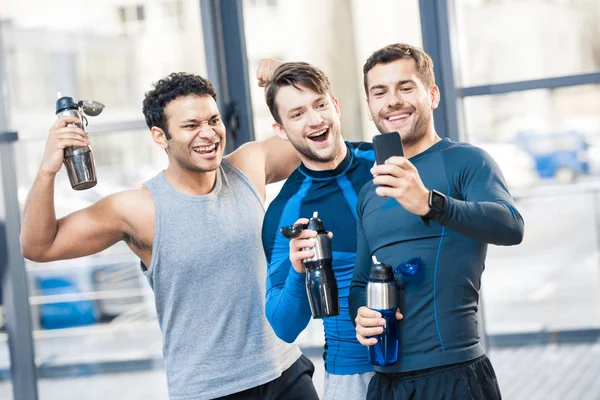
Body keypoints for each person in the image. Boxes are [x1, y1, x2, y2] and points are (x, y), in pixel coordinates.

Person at [20, 72, 320, 399]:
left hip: (286, 372)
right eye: (191, 126)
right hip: (210, 391)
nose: (208, 134)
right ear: (160, 137)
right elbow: (38, 245)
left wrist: (288, 75)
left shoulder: (249, 165)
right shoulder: (137, 209)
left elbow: (318, 140)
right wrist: (48, 168)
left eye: (213, 120)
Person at [349, 43, 525, 400]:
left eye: (406, 87)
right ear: (370, 107)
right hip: (385, 383)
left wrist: (430, 203)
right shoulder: (371, 191)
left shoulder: (467, 161)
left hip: (455, 377)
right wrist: (361, 314)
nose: (393, 100)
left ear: (432, 94)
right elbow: (359, 283)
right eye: (380, 92)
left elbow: (511, 226)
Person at [258, 60, 376, 400]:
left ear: (335, 106)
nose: (314, 120)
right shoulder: (286, 211)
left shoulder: (383, 162)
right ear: (280, 129)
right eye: (297, 114)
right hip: (354, 375)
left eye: (320, 104)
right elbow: (284, 326)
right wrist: (298, 272)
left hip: (426, 360)